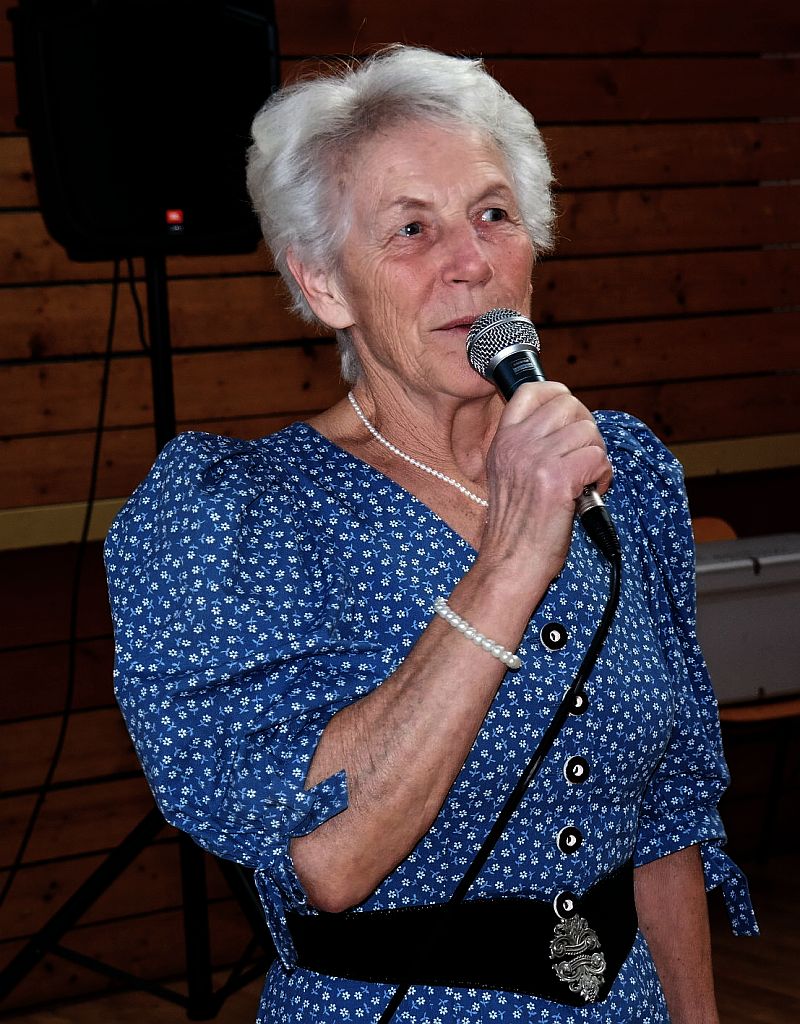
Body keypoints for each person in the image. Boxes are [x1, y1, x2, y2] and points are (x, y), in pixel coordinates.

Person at [104, 44, 757, 1024]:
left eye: (493, 214)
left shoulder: (620, 470)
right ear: (325, 284)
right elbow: (329, 860)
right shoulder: (242, 518)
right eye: (411, 229)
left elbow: (665, 819)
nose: (471, 261)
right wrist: (511, 558)